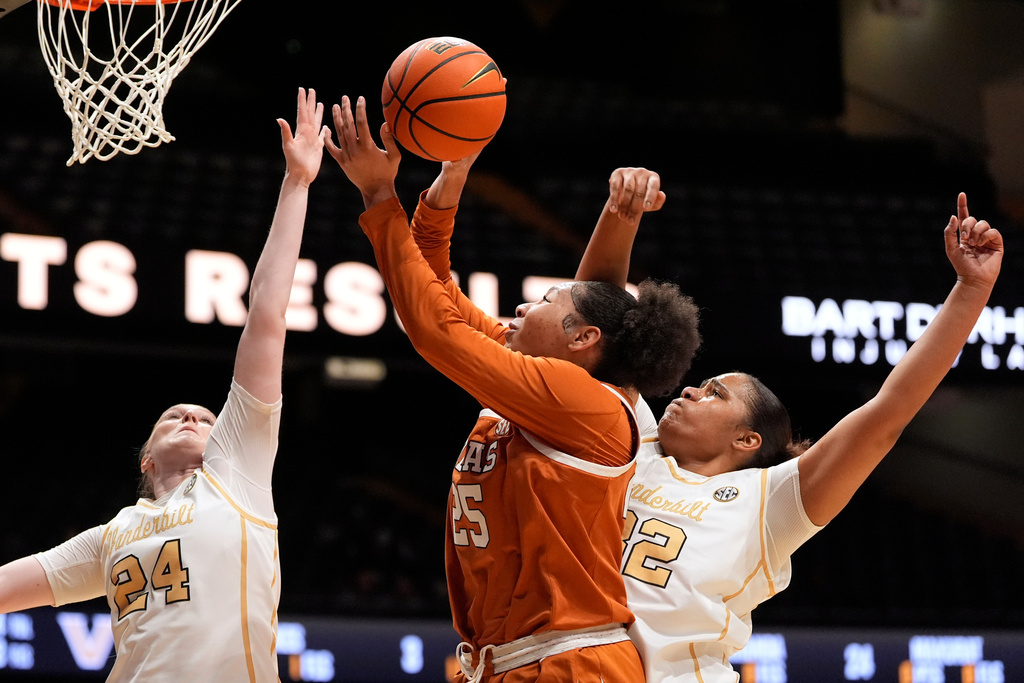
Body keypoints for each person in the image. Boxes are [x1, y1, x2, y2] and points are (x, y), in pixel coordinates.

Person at [325, 95, 701, 683]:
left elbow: (434, 329)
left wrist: (379, 197)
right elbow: (431, 296)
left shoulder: (586, 403)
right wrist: (451, 178)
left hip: (571, 663)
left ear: (583, 340)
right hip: (516, 660)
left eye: (548, 300)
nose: (526, 305)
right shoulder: (544, 375)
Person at [576, 185, 1004, 682]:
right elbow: (590, 337)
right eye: (697, 385)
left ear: (747, 440)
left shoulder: (770, 501)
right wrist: (620, 214)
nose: (690, 391)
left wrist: (971, 290)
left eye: (714, 393)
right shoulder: (631, 445)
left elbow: (888, 414)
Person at [0, 87, 329, 682]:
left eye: (206, 418)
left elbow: (265, 319)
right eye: (175, 416)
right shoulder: (111, 535)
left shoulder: (238, 473)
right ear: (146, 459)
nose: (192, 417)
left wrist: (297, 184)